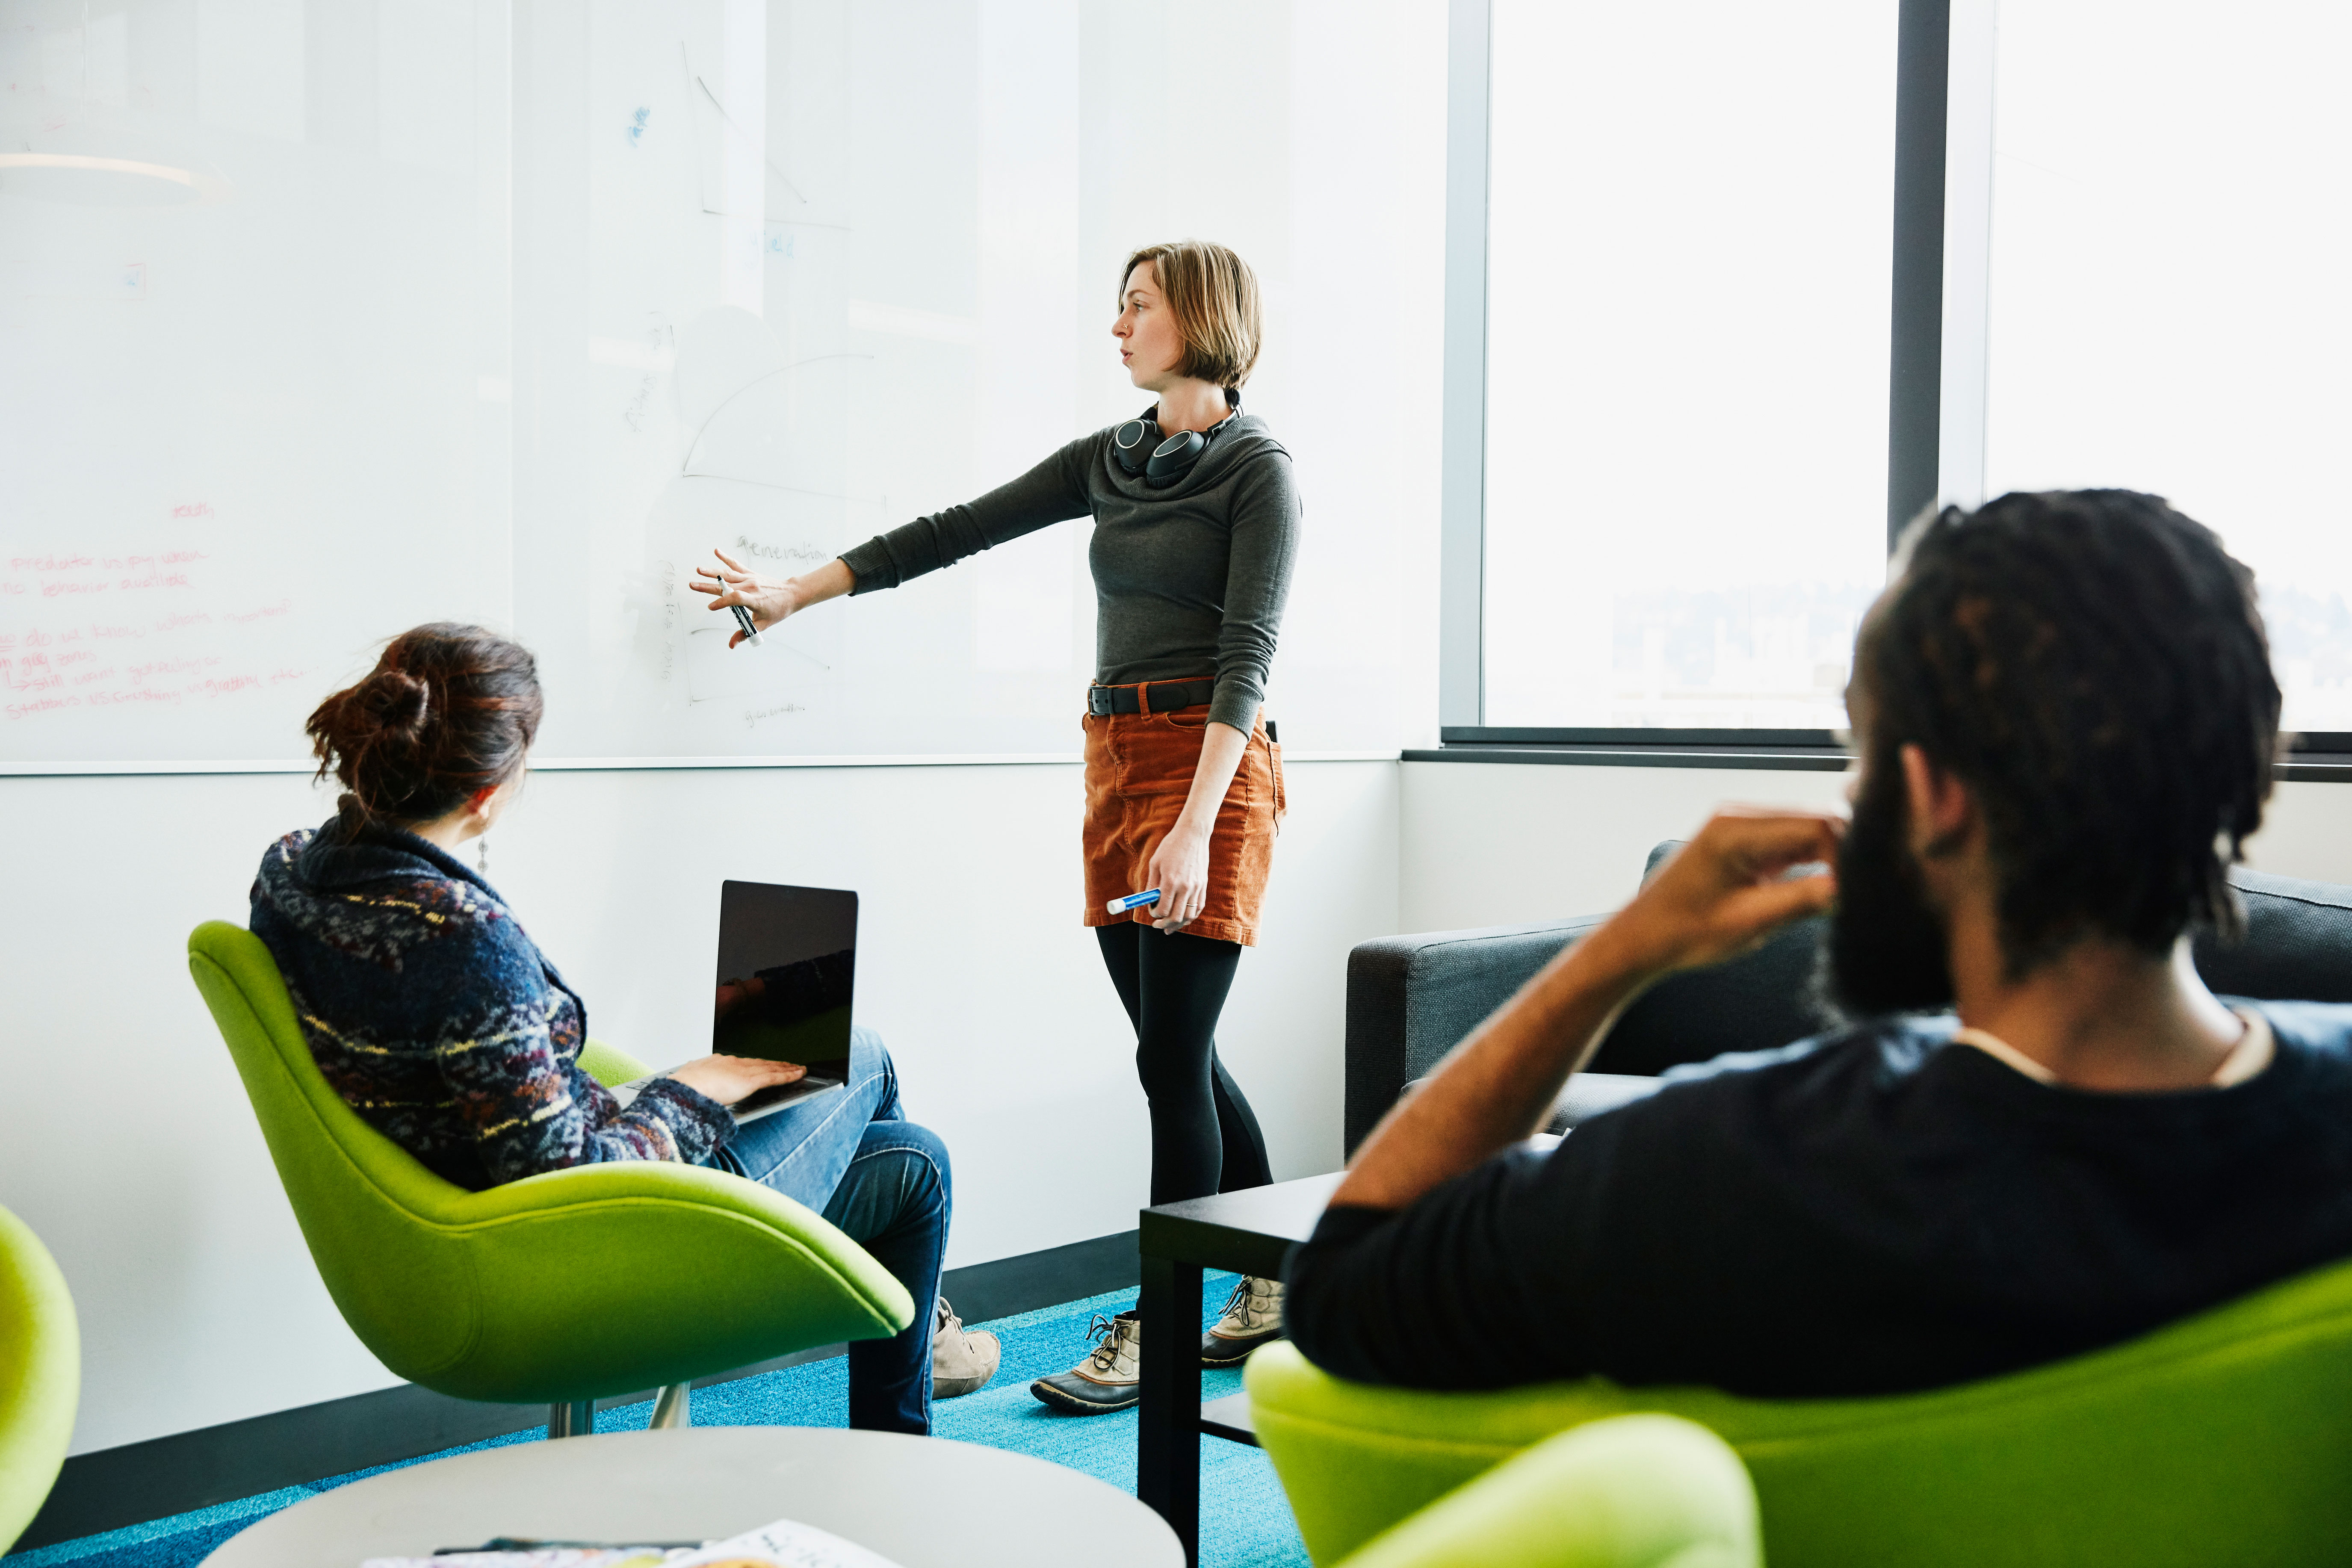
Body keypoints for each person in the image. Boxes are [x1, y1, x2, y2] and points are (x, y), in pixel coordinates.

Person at [1283, 488, 2352, 1399]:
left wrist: (1621, 953)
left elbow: (1342, 1285)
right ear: (2243, 770)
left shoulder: (1739, 1170)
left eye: (1862, 751)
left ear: (1931, 796)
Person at [695, 241, 1300, 1413]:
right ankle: (1274, 1286)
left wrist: (1190, 828)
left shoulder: (1257, 470)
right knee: (1175, 1044)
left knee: (1170, 1058)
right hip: (1117, 771)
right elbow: (948, 532)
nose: (1116, 326)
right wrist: (788, 592)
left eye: (1136, 306)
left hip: (1207, 784)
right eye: (1116, 306)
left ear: (1200, 317)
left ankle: (1160, 1324)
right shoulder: (1113, 461)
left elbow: (1247, 661)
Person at [248, 622, 1001, 1431]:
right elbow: (569, 1174)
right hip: (586, 1239)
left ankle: (921, 1368)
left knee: (916, 1160)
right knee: (862, 1054)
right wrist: (690, 1092)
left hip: (470, 1179)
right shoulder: (462, 939)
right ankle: (911, 1393)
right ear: (488, 794)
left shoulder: (295, 872)